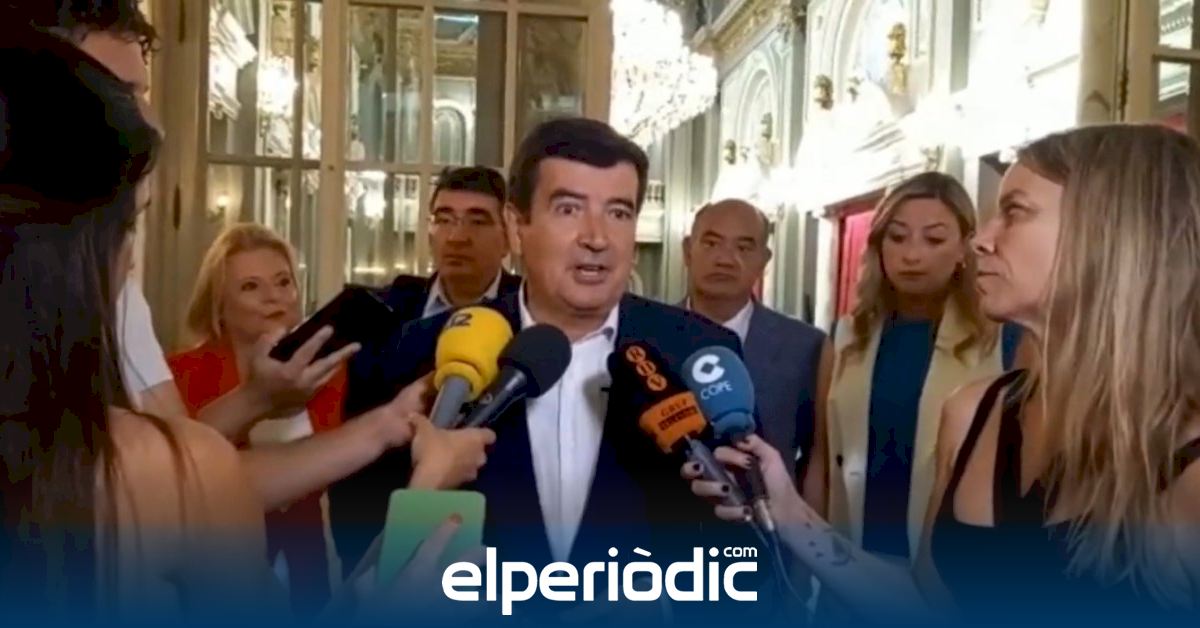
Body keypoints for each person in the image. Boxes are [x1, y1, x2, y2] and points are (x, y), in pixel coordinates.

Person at [0, 29, 494, 623]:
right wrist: (417, 526)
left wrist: (386, 425)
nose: (130, 259)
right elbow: (194, 483)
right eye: (130, 224)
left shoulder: (163, 460)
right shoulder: (151, 465)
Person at [683, 124, 1200, 622]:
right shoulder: (975, 414)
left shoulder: (1186, 463)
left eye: (1014, 212)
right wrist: (788, 512)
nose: (980, 241)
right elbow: (929, 606)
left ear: (1110, 234)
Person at [330, 118, 758, 617]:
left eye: (618, 212)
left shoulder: (700, 353)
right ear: (517, 227)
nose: (597, 238)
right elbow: (357, 528)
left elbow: (750, 558)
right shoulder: (419, 352)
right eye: (569, 208)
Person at [9, 0, 343, 435]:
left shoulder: (122, 294)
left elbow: (176, 456)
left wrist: (384, 426)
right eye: (119, 92)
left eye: (141, 93)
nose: (152, 123)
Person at [819, 171, 1021, 567]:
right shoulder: (846, 336)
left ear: (964, 247)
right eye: (897, 237)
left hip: (952, 567)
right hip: (848, 558)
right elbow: (822, 461)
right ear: (878, 246)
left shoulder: (1001, 339)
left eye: (934, 239)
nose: (912, 255)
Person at [682, 198, 828, 487]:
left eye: (744, 248)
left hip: (770, 511)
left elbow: (817, 458)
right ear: (687, 251)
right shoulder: (646, 337)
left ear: (764, 260)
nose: (725, 259)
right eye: (711, 243)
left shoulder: (806, 346)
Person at [376, 165, 520, 320]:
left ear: (507, 238)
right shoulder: (389, 308)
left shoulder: (528, 310)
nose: (456, 238)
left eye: (477, 222)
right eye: (444, 220)